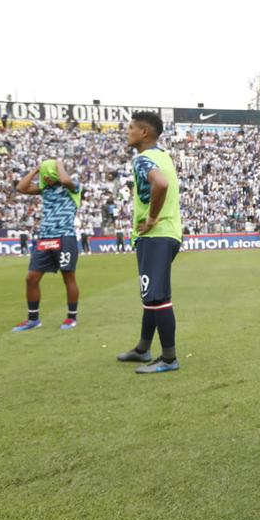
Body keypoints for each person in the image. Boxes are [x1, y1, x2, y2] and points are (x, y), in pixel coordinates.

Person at [115, 112, 183, 374]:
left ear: (144, 133)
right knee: (150, 294)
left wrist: (152, 218)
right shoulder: (163, 156)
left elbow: (161, 184)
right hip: (167, 233)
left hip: (157, 234)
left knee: (158, 296)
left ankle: (168, 358)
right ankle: (143, 349)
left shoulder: (144, 159)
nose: (127, 131)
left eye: (131, 127)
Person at [11, 159, 82, 332]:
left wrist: (58, 165)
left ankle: (71, 318)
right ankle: (33, 319)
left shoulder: (73, 187)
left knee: (68, 277)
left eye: (49, 176)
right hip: (45, 237)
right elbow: (20, 188)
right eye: (46, 176)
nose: (48, 179)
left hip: (65, 236)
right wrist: (37, 169)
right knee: (31, 278)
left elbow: (65, 181)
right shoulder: (45, 189)